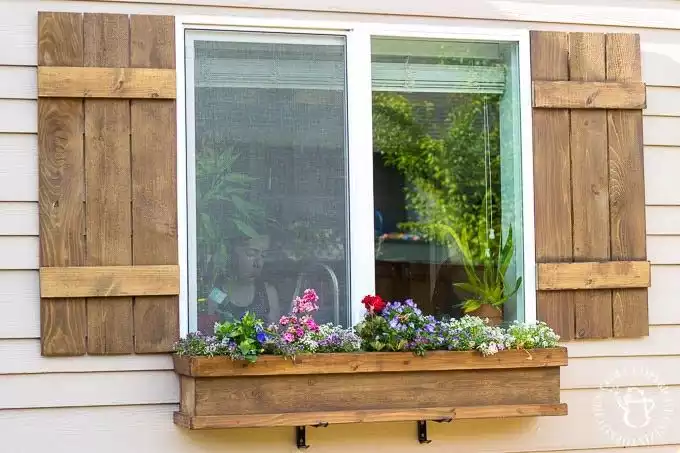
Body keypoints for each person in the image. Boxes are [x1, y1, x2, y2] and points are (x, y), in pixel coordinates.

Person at [204, 234, 280, 325]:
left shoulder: (267, 293)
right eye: (251, 254)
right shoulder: (217, 293)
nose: (258, 263)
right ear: (233, 254)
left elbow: (275, 334)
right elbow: (209, 331)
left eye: (263, 256)